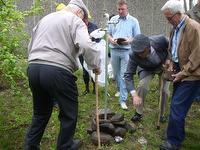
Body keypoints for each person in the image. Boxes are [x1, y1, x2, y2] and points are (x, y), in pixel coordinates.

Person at [24, 0, 101, 149]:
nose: (85, 22)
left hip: (33, 68)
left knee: (40, 113)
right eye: (85, 19)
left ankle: (30, 146)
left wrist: (36, 60)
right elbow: (86, 45)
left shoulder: (45, 18)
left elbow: (30, 44)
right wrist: (95, 65)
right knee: (69, 114)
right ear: (79, 12)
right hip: (57, 71)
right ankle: (65, 146)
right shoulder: (75, 20)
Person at [159, 0, 200, 149]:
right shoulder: (175, 27)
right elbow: (173, 47)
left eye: (169, 17)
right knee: (177, 105)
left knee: (177, 106)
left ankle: (174, 141)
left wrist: (183, 73)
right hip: (179, 70)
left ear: (179, 14)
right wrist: (170, 60)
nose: (168, 21)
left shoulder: (194, 27)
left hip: (192, 74)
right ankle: (175, 132)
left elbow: (197, 56)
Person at [124, 34, 170, 122]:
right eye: (137, 53)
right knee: (142, 86)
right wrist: (134, 95)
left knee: (165, 91)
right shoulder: (133, 54)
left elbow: (172, 46)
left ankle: (161, 113)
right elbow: (128, 75)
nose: (139, 55)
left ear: (148, 47)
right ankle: (138, 112)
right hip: (146, 68)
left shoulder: (160, 40)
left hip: (163, 65)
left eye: (142, 52)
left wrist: (169, 59)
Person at [108, 0, 141, 110]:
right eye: (119, 9)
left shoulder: (133, 21)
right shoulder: (113, 20)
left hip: (127, 51)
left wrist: (129, 40)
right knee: (116, 74)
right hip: (114, 50)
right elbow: (108, 33)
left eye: (123, 9)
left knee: (123, 75)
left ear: (127, 9)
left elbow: (137, 37)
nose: (121, 11)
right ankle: (120, 89)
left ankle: (123, 99)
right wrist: (111, 39)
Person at [79, 19, 100, 95]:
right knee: (85, 71)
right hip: (81, 52)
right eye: (82, 20)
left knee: (93, 70)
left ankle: (95, 88)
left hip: (91, 51)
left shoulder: (93, 26)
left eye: (85, 20)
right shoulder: (78, 27)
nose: (84, 21)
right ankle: (87, 88)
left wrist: (92, 38)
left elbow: (99, 38)